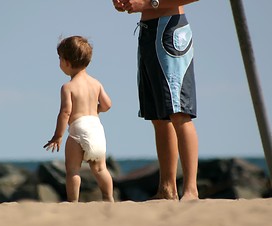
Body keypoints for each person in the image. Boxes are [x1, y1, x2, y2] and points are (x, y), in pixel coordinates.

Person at [112, 0, 199, 201]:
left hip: (170, 28)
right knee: (159, 117)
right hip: (147, 30)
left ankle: (191, 190)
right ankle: (167, 189)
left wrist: (148, 2)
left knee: (179, 112)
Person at [43, 36, 114, 202]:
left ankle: (73, 201)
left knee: (73, 170)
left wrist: (58, 136)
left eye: (60, 59)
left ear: (67, 62)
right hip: (96, 128)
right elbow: (107, 105)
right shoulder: (96, 83)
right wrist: (95, 109)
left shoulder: (68, 87)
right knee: (101, 169)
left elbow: (65, 112)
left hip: (78, 129)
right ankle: (108, 197)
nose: (59, 63)